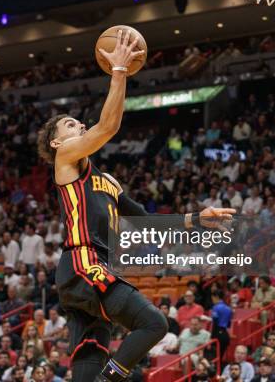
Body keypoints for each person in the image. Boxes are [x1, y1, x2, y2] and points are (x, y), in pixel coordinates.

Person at [37, 28, 235, 382]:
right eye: (71, 124)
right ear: (55, 141)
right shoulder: (64, 159)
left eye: (79, 122)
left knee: (87, 361)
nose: (79, 125)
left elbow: (144, 221)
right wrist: (119, 71)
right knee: (154, 323)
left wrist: (195, 219)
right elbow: (107, 126)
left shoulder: (107, 181)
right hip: (84, 263)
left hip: (85, 273)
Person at [210, 289, 232, 356]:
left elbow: (215, 322)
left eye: (212, 298)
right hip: (225, 334)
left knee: (215, 357)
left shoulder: (215, 308)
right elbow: (228, 324)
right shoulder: (228, 308)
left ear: (216, 297)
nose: (212, 300)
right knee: (220, 357)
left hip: (218, 335)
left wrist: (212, 336)